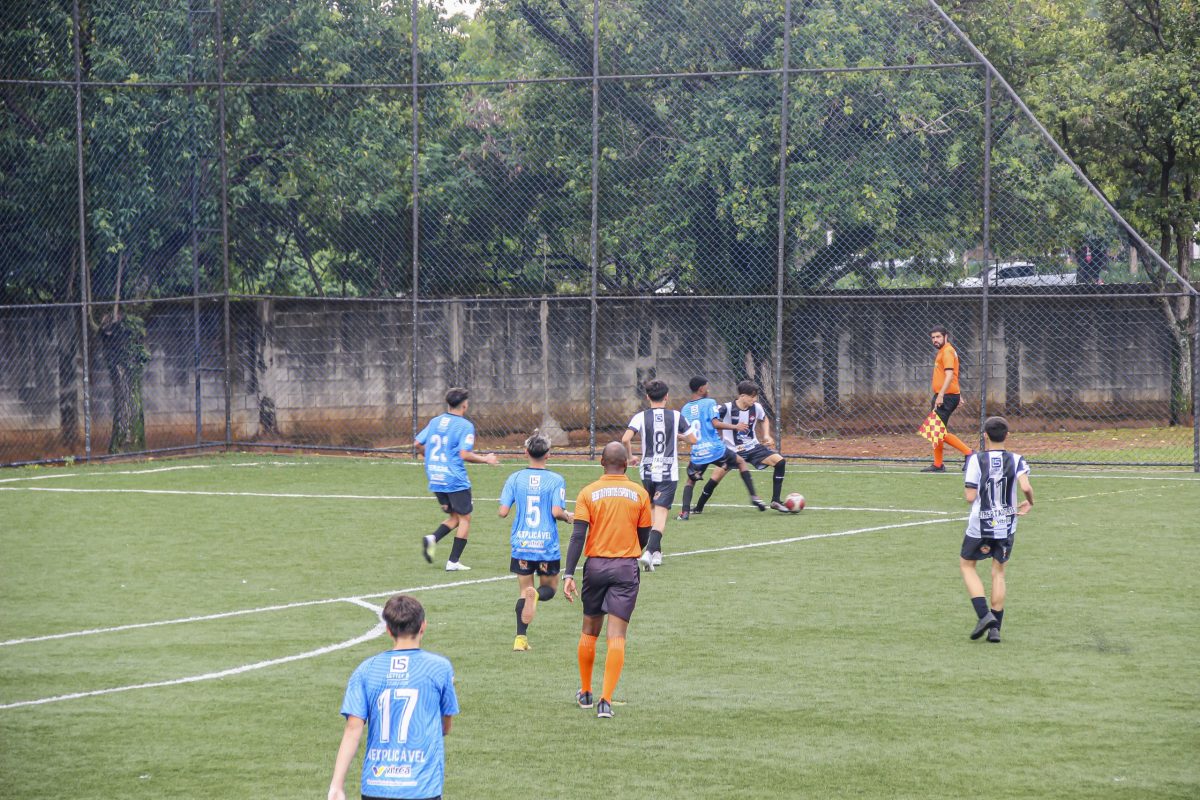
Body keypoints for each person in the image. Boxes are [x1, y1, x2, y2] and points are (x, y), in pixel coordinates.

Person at [327, 594, 459, 800]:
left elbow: (353, 729)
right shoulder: (439, 668)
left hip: (376, 786)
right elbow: (445, 727)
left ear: (388, 630)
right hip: (421, 787)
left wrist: (337, 784)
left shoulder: (366, 669)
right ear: (423, 626)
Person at [562, 441, 653, 719]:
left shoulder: (588, 492)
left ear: (602, 462)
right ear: (626, 464)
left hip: (595, 567)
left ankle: (586, 692)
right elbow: (644, 536)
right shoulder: (640, 493)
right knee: (617, 635)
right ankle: (606, 701)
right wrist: (628, 550)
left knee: (589, 629)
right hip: (625, 567)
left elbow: (578, 536)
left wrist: (569, 573)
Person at [960, 416, 1033, 644]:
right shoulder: (1016, 459)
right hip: (1006, 523)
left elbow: (970, 496)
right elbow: (1026, 486)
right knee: (998, 572)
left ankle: (984, 616)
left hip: (980, 523)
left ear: (985, 436)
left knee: (967, 565)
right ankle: (995, 630)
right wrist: (1030, 502)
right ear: (1007, 436)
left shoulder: (975, 459)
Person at [498, 431, 574, 652]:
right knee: (549, 587)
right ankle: (538, 595)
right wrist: (568, 517)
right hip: (545, 545)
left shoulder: (515, 478)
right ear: (548, 454)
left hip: (522, 543)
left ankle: (520, 639)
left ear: (525, 452)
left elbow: (502, 512)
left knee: (524, 590)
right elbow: (556, 511)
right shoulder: (556, 480)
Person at [415, 387, 499, 571]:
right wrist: (486, 459)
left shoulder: (435, 421)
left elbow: (418, 443)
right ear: (465, 405)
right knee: (465, 518)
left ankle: (432, 539)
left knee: (455, 517)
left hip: (435, 476)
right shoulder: (465, 426)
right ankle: (453, 562)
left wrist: (430, 457)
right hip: (454, 479)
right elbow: (464, 454)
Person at [620, 379, 696, 571]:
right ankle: (648, 551)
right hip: (667, 472)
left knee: (653, 509)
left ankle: (656, 553)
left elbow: (625, 439)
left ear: (647, 397)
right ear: (667, 396)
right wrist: (679, 436)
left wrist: (630, 457)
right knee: (661, 514)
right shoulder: (676, 416)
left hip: (647, 470)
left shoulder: (640, 417)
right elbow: (693, 439)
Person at [677, 375, 765, 519]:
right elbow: (716, 424)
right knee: (741, 462)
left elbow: (683, 433)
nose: (709, 389)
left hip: (698, 452)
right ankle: (754, 496)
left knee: (690, 482)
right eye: (707, 387)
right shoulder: (709, 402)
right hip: (716, 449)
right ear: (701, 389)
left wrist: (682, 438)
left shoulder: (685, 409)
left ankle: (685, 513)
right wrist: (735, 426)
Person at [712, 380, 792, 512]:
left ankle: (775, 501)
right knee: (714, 479)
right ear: (743, 396)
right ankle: (698, 507)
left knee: (780, 462)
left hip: (753, 447)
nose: (755, 399)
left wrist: (766, 435)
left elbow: (764, 419)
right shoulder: (726, 408)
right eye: (752, 396)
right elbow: (713, 422)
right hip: (732, 451)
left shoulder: (757, 407)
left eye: (756, 396)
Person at [922, 325, 974, 472]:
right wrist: (958, 394)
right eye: (933, 337)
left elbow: (950, 374)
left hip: (945, 396)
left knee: (935, 430)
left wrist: (941, 395)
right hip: (947, 395)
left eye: (938, 337)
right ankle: (938, 464)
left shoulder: (947, 351)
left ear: (946, 337)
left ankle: (970, 453)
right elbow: (953, 375)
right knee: (936, 431)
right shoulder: (944, 351)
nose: (935, 340)